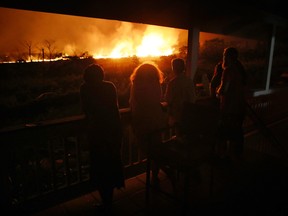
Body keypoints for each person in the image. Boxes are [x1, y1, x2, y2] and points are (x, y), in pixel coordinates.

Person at [79, 63, 125, 213]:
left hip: (97, 134)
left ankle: (106, 202)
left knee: (100, 167)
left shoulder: (85, 89)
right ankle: (109, 200)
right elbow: (114, 107)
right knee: (111, 164)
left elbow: (87, 110)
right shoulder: (110, 86)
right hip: (113, 131)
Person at [129, 61, 166, 187]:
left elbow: (134, 101)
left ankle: (162, 171)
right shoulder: (156, 83)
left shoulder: (136, 85)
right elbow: (157, 99)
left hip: (142, 121)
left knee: (147, 148)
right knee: (155, 148)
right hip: (155, 120)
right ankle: (156, 176)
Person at [216, 47, 247, 161]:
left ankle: (223, 157)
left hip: (229, 109)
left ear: (228, 57)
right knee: (235, 133)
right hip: (239, 108)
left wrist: (217, 92)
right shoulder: (239, 69)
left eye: (224, 55)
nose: (223, 57)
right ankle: (234, 156)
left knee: (223, 133)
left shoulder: (228, 70)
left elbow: (224, 89)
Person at [164, 57, 196, 137]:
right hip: (189, 114)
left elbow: (168, 99)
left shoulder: (172, 83)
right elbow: (193, 98)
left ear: (173, 68)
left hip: (177, 115)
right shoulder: (189, 81)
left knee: (179, 136)